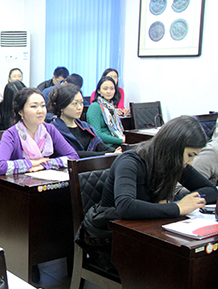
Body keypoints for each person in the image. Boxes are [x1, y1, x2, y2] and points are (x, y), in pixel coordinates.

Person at [82, 116, 218, 269]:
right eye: (190, 155)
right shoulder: (131, 161)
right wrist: (177, 208)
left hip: (148, 232)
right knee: (174, 265)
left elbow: (211, 191)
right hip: (112, 236)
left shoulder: (174, 163)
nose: (190, 162)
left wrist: (186, 202)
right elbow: (125, 206)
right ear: (175, 147)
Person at [0, 88, 78, 175]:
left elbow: (73, 157)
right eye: (34, 106)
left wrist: (45, 164)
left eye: (43, 105)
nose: (40, 111)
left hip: (45, 181)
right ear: (21, 112)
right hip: (20, 184)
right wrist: (31, 163)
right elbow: (0, 167)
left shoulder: (50, 130)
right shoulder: (11, 134)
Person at [48, 84, 120, 158]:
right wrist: (103, 155)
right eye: (75, 104)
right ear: (61, 106)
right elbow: (73, 154)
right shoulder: (54, 130)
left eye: (81, 103)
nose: (79, 107)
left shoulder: (86, 127)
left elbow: (100, 146)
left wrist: (115, 152)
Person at [86, 76, 125, 147]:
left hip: (116, 142)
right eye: (105, 89)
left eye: (112, 88)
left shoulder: (111, 107)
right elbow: (97, 134)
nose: (109, 91)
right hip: (104, 146)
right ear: (99, 91)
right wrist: (121, 140)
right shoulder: (95, 107)